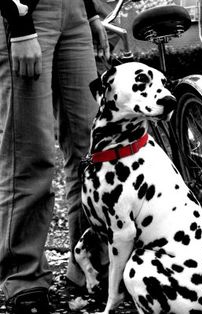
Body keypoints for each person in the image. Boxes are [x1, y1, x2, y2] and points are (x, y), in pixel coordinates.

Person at [0, 0, 109, 313]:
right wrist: (18, 23)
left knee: (93, 151)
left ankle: (89, 265)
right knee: (30, 152)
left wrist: (88, 11)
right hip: (26, 11)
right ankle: (24, 279)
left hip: (73, 13)